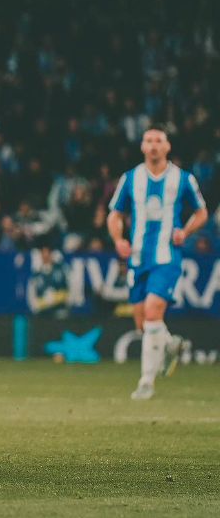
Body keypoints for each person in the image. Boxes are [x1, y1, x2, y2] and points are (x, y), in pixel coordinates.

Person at [107, 128, 208, 400]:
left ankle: (146, 381)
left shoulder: (182, 178)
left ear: (167, 146)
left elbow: (201, 212)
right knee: (142, 324)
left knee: (153, 312)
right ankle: (169, 344)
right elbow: (114, 214)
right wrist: (118, 239)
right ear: (142, 146)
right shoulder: (131, 178)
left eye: (158, 141)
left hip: (166, 258)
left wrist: (185, 231)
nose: (153, 146)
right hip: (137, 259)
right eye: (149, 141)